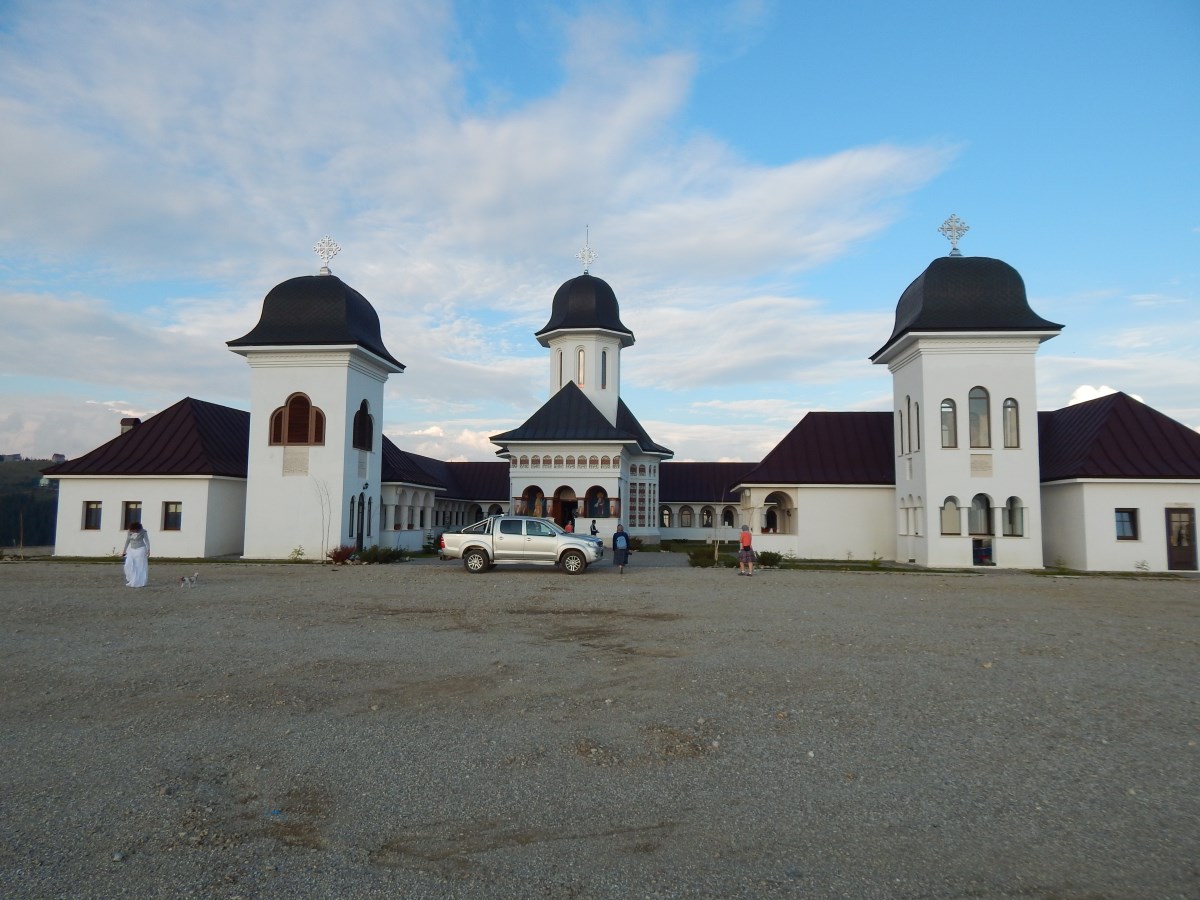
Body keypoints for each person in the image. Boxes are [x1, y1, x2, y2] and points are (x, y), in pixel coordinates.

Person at [122, 521, 150, 587]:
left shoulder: (143, 532)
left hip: (141, 549)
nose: (134, 531)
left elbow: (147, 541)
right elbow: (127, 541)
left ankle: (138, 581)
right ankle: (131, 579)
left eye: (135, 530)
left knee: (139, 566)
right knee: (128, 564)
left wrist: (148, 550)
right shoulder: (129, 531)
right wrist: (124, 550)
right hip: (132, 550)